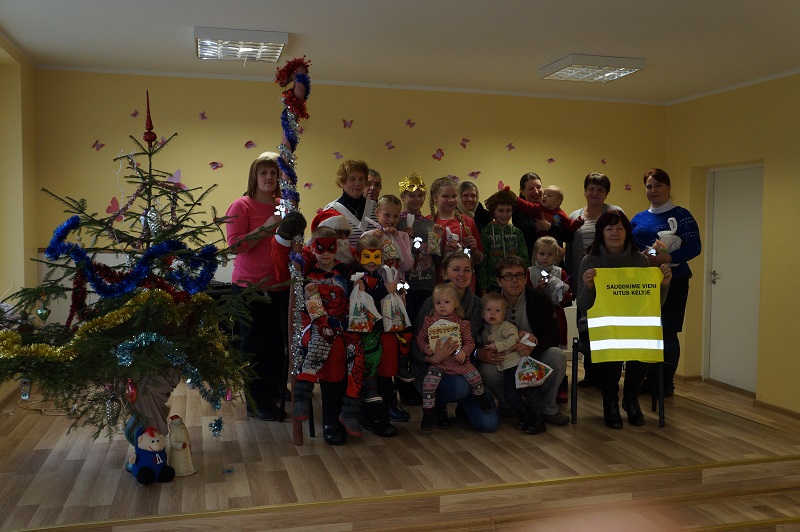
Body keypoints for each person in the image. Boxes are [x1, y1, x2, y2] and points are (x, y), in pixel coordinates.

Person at [576, 210, 672, 429]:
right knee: (611, 342)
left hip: (632, 324)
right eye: (609, 228)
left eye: (619, 228)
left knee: (646, 340)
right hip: (599, 325)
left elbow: (653, 304)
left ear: (627, 232)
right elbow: (583, 306)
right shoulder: (589, 260)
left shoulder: (640, 260)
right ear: (601, 233)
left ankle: (631, 398)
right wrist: (589, 287)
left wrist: (664, 284)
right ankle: (610, 400)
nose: (614, 233)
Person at [225, 151, 289, 422]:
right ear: (254, 177)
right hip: (250, 288)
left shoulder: (284, 205)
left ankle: (273, 390)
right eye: (263, 172)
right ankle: (255, 400)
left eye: (273, 173)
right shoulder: (241, 206)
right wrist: (267, 227)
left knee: (276, 344)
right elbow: (235, 245)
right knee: (254, 346)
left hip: (280, 286)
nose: (269, 177)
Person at [291, 226, 366, 445]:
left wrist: (360, 289)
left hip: (342, 326)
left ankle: (348, 412)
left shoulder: (347, 272)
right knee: (330, 346)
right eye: (320, 248)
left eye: (330, 248)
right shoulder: (305, 274)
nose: (325, 253)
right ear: (312, 248)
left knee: (354, 352)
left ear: (337, 247)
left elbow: (357, 302)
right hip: (313, 326)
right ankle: (330, 420)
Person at [477, 255, 570, 432]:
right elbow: (475, 335)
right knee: (487, 370)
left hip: (532, 355)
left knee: (556, 355)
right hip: (503, 358)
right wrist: (479, 352)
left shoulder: (539, 298)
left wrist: (533, 344)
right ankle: (508, 405)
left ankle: (548, 408)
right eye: (508, 276)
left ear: (525, 278)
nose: (515, 280)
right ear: (499, 280)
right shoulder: (488, 301)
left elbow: (554, 335)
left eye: (519, 275)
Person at [631, 168, 701, 396]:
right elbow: (630, 247)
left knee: (668, 331)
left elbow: (695, 247)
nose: (653, 190)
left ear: (669, 187)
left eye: (658, 185)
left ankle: (664, 384)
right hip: (643, 283)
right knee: (646, 332)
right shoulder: (638, 218)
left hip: (675, 281)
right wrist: (648, 254)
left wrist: (668, 258)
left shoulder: (682, 215)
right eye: (649, 186)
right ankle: (648, 380)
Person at [411, 252, 499, 433]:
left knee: (488, 425)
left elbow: (482, 337)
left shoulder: (478, 304)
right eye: (456, 269)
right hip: (433, 367)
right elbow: (415, 341)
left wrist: (476, 352)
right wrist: (430, 358)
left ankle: (464, 407)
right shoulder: (432, 303)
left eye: (467, 270)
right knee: (459, 387)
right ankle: (437, 407)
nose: (462, 274)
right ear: (444, 272)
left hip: (465, 365)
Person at [566, 172, 624, 387]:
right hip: (584, 280)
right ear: (584, 191)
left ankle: (608, 376)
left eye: (600, 189)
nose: (595, 193)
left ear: (606, 193)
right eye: (591, 188)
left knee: (608, 329)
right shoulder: (575, 216)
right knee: (585, 327)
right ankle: (591, 374)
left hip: (611, 283)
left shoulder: (615, 213)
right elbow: (570, 252)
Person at [349, 233, 401, 436]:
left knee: (389, 349)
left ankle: (387, 403)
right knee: (371, 357)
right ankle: (370, 398)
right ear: (358, 256)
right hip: (363, 330)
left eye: (376, 257)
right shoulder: (356, 277)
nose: (372, 261)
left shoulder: (379, 275)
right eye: (367, 256)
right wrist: (384, 291)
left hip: (379, 327)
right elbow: (362, 301)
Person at [477, 292, 543, 435]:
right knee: (511, 395)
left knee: (529, 390)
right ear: (482, 313)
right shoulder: (485, 331)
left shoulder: (507, 327)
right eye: (489, 310)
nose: (492, 313)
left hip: (519, 364)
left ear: (504, 314)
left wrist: (497, 346)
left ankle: (538, 417)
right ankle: (525, 413)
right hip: (508, 367)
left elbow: (513, 339)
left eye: (497, 310)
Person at [429, 176, 484, 293]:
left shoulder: (468, 222)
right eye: (445, 196)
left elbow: (478, 259)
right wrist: (443, 250)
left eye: (454, 196)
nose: (451, 200)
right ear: (435, 198)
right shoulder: (429, 223)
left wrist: (474, 250)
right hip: (441, 287)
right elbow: (428, 261)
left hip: (466, 286)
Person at [478, 188, 528, 294]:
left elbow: (524, 259)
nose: (504, 214)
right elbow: (483, 263)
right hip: (492, 285)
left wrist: (523, 282)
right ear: (493, 211)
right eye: (500, 210)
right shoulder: (486, 232)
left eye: (508, 211)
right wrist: (483, 289)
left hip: (514, 283)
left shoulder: (517, 232)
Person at [512, 172, 574, 258]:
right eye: (530, 189)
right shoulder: (518, 211)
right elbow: (527, 237)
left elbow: (569, 236)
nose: (536, 191)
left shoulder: (552, 208)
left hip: (555, 262)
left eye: (538, 187)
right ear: (522, 192)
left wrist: (548, 226)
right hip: (532, 261)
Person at [528, 236, 572, 350]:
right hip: (536, 316)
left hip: (556, 314)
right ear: (535, 254)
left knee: (556, 347)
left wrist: (560, 290)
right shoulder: (529, 272)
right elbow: (526, 297)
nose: (545, 257)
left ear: (555, 256)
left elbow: (567, 299)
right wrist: (539, 289)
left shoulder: (561, 273)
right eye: (542, 254)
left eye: (549, 254)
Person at [325, 159, 376, 248]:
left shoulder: (375, 207)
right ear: (342, 182)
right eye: (352, 179)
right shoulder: (332, 210)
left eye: (361, 179)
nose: (357, 183)